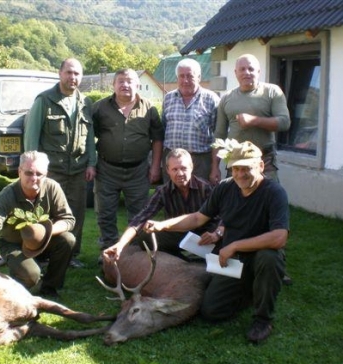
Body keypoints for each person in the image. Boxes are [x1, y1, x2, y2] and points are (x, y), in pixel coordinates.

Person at [144, 141, 289, 343]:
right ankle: (252, 289)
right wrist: (163, 225)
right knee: (212, 311)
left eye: (247, 168)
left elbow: (279, 237)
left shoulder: (274, 193)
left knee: (270, 258)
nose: (240, 174)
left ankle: (263, 319)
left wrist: (235, 245)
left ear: (261, 166)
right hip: (231, 260)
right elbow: (197, 218)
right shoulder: (225, 188)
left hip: (257, 255)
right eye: (236, 168)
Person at [0, 151, 76, 299]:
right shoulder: (7, 196)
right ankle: (19, 272)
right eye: (29, 173)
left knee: (68, 239)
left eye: (39, 174)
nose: (34, 178)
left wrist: (46, 231)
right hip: (13, 244)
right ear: (19, 172)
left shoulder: (52, 188)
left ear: (46, 174)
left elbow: (68, 220)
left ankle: (50, 287)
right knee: (31, 275)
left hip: (43, 242)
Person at [24, 58, 95, 269]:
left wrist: (91, 162)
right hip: (51, 171)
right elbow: (31, 138)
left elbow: (89, 137)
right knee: (45, 214)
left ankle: (71, 255)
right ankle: (42, 255)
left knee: (75, 214)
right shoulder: (44, 101)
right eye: (69, 73)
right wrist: (33, 171)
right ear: (60, 73)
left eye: (77, 74)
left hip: (78, 170)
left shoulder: (85, 103)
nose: (73, 78)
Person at [103, 148, 220, 262]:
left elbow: (222, 217)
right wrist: (120, 244)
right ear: (167, 170)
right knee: (144, 237)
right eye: (175, 169)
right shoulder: (163, 191)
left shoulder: (206, 188)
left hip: (206, 236)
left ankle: (199, 257)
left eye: (183, 168)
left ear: (191, 167)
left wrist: (215, 234)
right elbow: (140, 218)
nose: (180, 173)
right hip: (179, 236)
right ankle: (184, 261)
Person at [92, 68, 163, 255]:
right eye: (120, 81)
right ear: (113, 85)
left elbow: (157, 139)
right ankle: (107, 251)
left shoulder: (149, 108)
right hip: (107, 169)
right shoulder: (99, 108)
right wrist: (91, 163)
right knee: (105, 214)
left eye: (130, 81)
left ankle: (132, 253)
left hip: (138, 170)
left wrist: (155, 166)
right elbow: (88, 137)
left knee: (139, 214)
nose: (125, 85)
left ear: (137, 84)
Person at [214, 54, 291, 182]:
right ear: (236, 72)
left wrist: (255, 121)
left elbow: (285, 122)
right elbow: (219, 135)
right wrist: (215, 167)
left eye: (251, 68)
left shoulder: (272, 92)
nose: (247, 73)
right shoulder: (227, 98)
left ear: (259, 71)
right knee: (235, 199)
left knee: (268, 198)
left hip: (264, 159)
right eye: (242, 69)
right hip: (235, 159)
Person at [162, 58, 221, 184]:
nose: (185, 80)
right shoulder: (168, 98)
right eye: (181, 76)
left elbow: (219, 137)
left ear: (199, 77)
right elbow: (163, 129)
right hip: (172, 161)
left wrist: (215, 167)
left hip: (200, 162)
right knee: (171, 199)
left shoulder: (212, 99)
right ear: (177, 78)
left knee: (201, 200)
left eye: (190, 76)